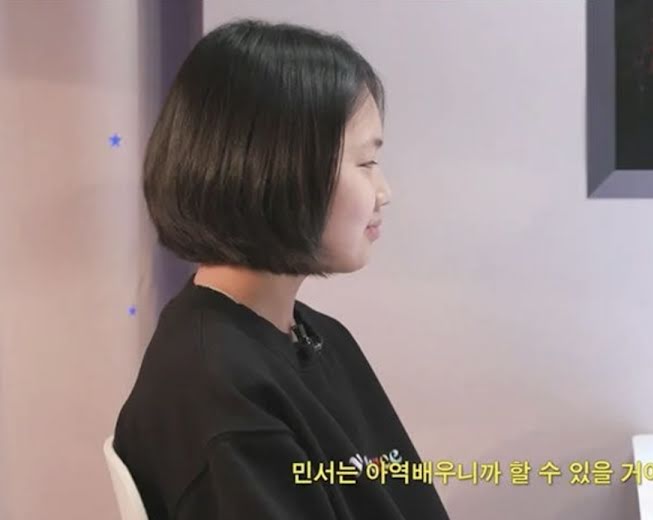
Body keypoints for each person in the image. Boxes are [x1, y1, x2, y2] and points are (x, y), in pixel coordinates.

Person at [113, 19, 450, 519]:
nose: (384, 192)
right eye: (364, 163)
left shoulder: (313, 337)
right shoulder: (223, 397)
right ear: (273, 170)